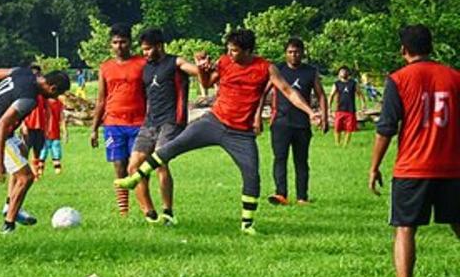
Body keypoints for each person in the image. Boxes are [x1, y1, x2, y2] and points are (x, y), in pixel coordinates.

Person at [116, 28, 321, 234]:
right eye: (229, 49)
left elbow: (288, 91)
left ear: (248, 50)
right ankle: (134, 178)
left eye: (234, 50)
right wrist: (203, 69)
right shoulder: (224, 62)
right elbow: (206, 82)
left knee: (252, 176)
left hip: (241, 133)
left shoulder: (266, 68)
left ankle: (247, 225)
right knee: (173, 146)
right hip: (214, 122)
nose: (230, 54)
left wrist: (310, 112)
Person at [368, 25, 460, 277]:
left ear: (403, 50)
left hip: (412, 167)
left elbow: (386, 128)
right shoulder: (455, 77)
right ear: (431, 46)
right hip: (452, 166)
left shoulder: (398, 79)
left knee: (405, 227)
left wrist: (374, 166)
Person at [0, 65, 70, 234]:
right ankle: (8, 224)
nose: (55, 97)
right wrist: (0, 161)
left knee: (22, 151)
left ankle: (9, 205)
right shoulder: (29, 98)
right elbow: (1, 124)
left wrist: (3, 95)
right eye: (57, 94)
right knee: (26, 177)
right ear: (52, 88)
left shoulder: (23, 72)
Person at [125, 28, 202, 225]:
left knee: (159, 163)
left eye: (148, 49)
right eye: (143, 49)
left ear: (159, 46)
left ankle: (168, 211)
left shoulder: (175, 62)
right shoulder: (145, 68)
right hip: (149, 122)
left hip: (171, 122)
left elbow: (196, 71)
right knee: (133, 166)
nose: (145, 53)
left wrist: (201, 65)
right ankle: (150, 213)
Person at [264, 37, 328, 206]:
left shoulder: (310, 71)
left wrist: (324, 116)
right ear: (285, 53)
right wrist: (256, 117)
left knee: (301, 161)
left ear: (303, 53)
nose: (294, 55)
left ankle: (302, 197)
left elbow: (321, 95)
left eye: (297, 52)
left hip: (302, 124)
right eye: (290, 52)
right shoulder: (278, 70)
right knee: (280, 158)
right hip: (280, 122)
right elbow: (263, 93)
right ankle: (280, 194)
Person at [91, 24, 147, 216]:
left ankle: (145, 207)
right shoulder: (105, 68)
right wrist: (94, 128)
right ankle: (123, 211)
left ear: (130, 43)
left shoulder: (142, 63)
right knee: (118, 166)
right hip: (113, 124)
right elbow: (101, 100)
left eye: (123, 42)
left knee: (137, 167)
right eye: (115, 42)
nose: (119, 46)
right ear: (110, 45)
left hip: (139, 123)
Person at [20, 64, 47, 178]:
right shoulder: (25, 91)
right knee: (24, 151)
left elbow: (47, 110)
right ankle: (22, 173)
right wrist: (23, 125)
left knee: (38, 151)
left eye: (38, 74)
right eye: (34, 74)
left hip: (40, 126)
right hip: (28, 125)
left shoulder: (43, 93)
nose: (36, 76)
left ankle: (36, 174)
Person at [329, 66, 365, 147]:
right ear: (339, 74)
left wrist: (363, 104)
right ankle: (337, 144)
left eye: (345, 71)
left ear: (348, 73)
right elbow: (331, 95)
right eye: (341, 71)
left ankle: (346, 144)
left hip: (350, 110)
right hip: (339, 109)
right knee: (337, 127)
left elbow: (360, 94)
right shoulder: (336, 84)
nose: (343, 73)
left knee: (349, 129)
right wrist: (329, 107)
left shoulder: (353, 83)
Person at [39, 92, 68, 174]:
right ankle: (57, 170)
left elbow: (62, 119)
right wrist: (65, 132)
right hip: (52, 133)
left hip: (46, 133)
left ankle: (40, 170)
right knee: (55, 152)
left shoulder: (44, 102)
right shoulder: (58, 104)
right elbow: (62, 119)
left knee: (43, 152)